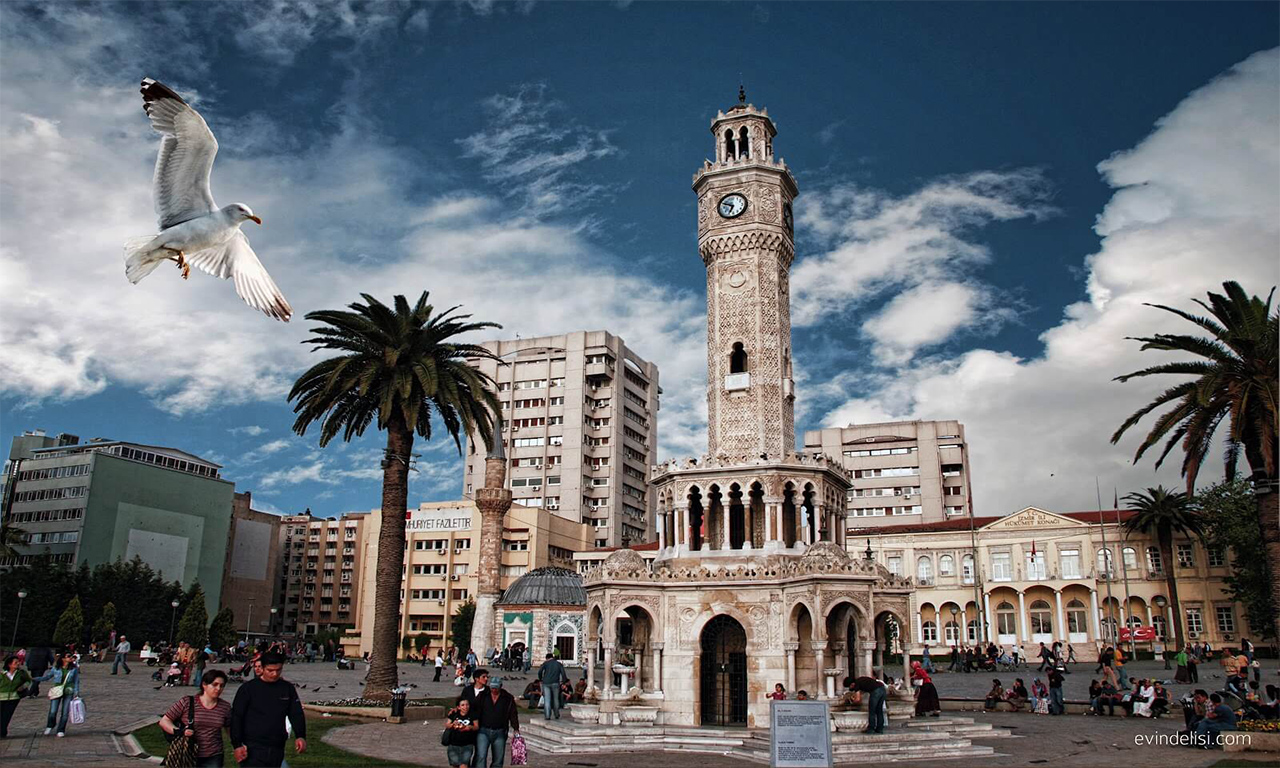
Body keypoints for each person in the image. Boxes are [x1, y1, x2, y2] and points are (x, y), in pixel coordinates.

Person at [229, 651, 306, 767]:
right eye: (270, 670)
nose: (275, 674)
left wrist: (300, 736)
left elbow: (296, 713)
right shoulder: (248, 689)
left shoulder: (287, 688)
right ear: (262, 668)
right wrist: (237, 744)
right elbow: (237, 717)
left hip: (277, 745)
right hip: (252, 745)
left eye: (278, 670)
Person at [161, 669, 232, 767]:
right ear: (204, 685)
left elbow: (229, 729)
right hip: (187, 753)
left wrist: (238, 745)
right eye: (214, 685)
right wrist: (179, 731)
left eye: (222, 686)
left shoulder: (225, 707)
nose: (218, 688)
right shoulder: (187, 702)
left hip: (213, 755)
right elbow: (165, 721)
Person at [475, 677, 520, 768]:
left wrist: (516, 728)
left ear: (500, 687)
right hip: (483, 730)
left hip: (500, 731)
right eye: (492, 688)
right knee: (481, 756)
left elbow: (513, 714)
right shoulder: (483, 695)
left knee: (498, 759)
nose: (494, 690)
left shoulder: (507, 698)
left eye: (496, 688)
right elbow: (475, 709)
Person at [37, 654, 80, 737]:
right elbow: (47, 677)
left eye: (71, 656)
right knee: (53, 711)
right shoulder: (56, 668)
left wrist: (76, 692)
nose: (71, 658)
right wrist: (36, 678)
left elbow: (76, 681)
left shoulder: (74, 669)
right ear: (63, 658)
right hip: (57, 691)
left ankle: (61, 729)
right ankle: (50, 725)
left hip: (68, 691)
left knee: (65, 712)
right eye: (68, 656)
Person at [1, 655, 33, 739]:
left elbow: (28, 681)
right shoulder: (2, 674)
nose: (18, 663)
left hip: (14, 698)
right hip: (1, 697)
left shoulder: (21, 673)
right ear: (9, 664)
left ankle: (2, 732)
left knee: (7, 715)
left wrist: (23, 687)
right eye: (15, 662)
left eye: (18, 662)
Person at [443, 697, 480, 768]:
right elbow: (447, 725)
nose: (465, 707)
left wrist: (470, 727)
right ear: (458, 707)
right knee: (455, 764)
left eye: (467, 705)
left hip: (467, 744)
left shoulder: (473, 715)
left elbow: (476, 727)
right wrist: (453, 724)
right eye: (463, 705)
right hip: (454, 744)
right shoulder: (454, 714)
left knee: (464, 764)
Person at [537, 652, 568, 721]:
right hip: (555, 683)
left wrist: (540, 679)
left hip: (546, 683)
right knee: (556, 699)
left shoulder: (545, 663)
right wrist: (563, 682)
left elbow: (540, 672)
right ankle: (556, 714)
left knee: (547, 699)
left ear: (547, 658)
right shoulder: (559, 664)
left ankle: (547, 715)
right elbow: (563, 674)